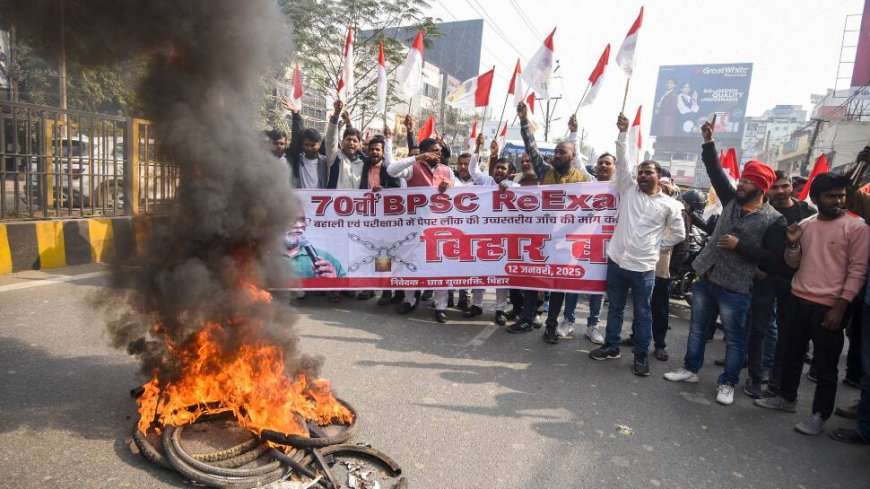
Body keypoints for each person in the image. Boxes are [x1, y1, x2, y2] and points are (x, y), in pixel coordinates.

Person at [663, 119, 785, 405]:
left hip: (736, 287)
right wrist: (708, 141)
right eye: (741, 179)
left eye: (747, 181)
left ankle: (728, 383)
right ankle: (690, 369)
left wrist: (739, 246)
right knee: (697, 328)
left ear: (761, 187)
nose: (740, 184)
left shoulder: (774, 221)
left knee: (734, 337)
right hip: (707, 277)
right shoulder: (731, 199)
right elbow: (715, 171)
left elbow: (772, 259)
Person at [754, 173, 869, 436]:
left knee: (826, 365)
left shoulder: (857, 228)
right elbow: (793, 263)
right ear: (816, 198)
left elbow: (857, 271)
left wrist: (840, 307)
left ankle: (819, 414)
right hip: (797, 299)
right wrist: (792, 245)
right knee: (791, 353)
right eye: (831, 196)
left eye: (841, 195)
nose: (839, 200)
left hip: (829, 306)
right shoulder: (805, 224)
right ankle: (786, 398)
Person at [588, 113, 685, 378]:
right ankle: (611, 346)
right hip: (617, 261)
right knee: (615, 307)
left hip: (643, 267)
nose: (641, 175)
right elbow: (624, 162)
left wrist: (655, 245)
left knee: (642, 313)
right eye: (640, 171)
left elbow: (678, 234)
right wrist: (623, 133)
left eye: (647, 172)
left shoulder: (671, 205)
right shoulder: (628, 189)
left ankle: (641, 355)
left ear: (658, 176)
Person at [507, 104, 593, 342]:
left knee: (558, 283)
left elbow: (599, 200)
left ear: (573, 156)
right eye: (555, 151)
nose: (556, 155)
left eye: (561, 152)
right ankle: (527, 318)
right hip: (541, 236)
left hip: (566, 240)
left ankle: (552, 326)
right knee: (534, 278)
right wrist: (524, 120)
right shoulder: (545, 171)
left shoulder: (583, 179)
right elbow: (531, 147)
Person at [743, 171, 816, 399]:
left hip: (793, 281)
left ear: (792, 186)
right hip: (764, 278)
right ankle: (755, 377)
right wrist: (755, 270)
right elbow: (748, 242)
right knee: (758, 328)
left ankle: (775, 380)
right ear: (767, 190)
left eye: (785, 186)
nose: (781, 191)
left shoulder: (806, 213)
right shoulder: (761, 211)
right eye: (775, 187)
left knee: (786, 333)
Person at [386, 134, 454, 323]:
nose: (437, 154)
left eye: (439, 151)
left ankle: (440, 306)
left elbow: (457, 190)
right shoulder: (413, 168)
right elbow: (391, 170)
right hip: (413, 228)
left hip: (439, 228)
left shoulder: (446, 170)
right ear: (424, 152)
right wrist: (418, 158)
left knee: (440, 268)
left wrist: (449, 184)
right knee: (411, 264)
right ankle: (410, 299)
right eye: (433, 151)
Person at [465, 136, 519, 326]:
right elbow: (472, 169)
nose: (499, 171)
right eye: (497, 167)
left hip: (504, 238)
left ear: (510, 173)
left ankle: (500, 309)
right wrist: (478, 148)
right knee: (479, 271)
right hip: (482, 235)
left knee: (501, 275)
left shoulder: (516, 187)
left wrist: (510, 189)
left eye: (504, 168)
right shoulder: (485, 181)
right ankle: (477, 305)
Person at [280, 207, 345, 280]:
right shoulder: (265, 258)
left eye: (302, 220)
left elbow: (347, 290)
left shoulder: (326, 258)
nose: (299, 225)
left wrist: (333, 283)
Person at [281, 96, 328, 189]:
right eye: (306, 145)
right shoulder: (297, 159)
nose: (309, 148)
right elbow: (297, 135)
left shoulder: (325, 162)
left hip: (321, 202)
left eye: (313, 145)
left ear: (319, 144)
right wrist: (295, 114)